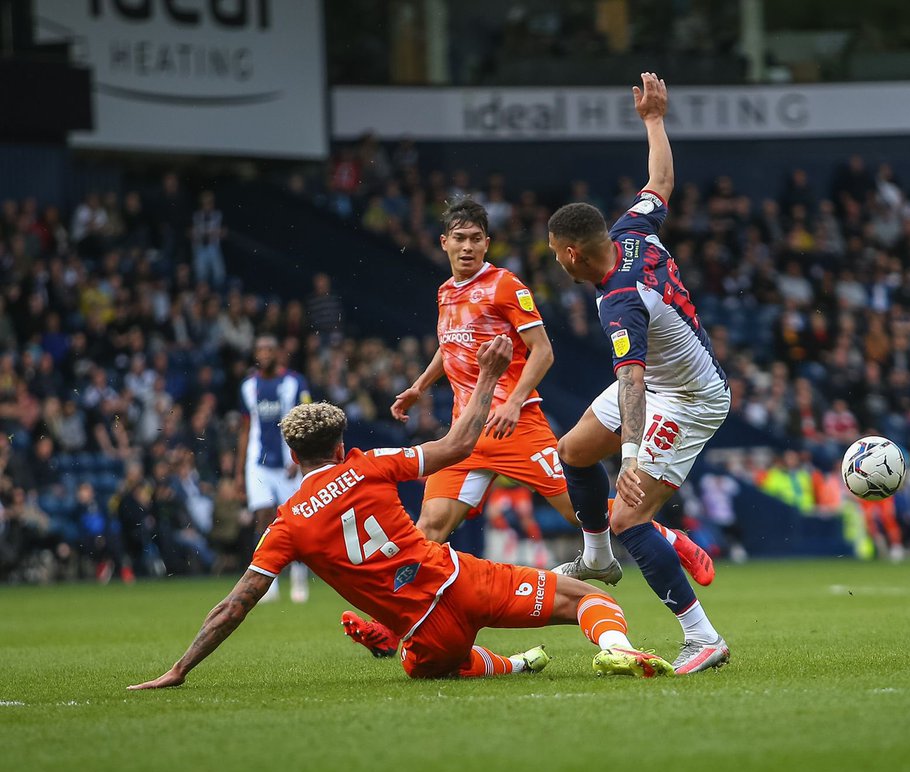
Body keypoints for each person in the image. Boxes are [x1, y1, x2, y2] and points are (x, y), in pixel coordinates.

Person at [128, 337, 675, 689]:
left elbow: (234, 606)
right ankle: (617, 650)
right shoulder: (370, 465)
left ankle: (514, 662)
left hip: (424, 633)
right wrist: (486, 377)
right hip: (460, 582)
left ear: (293, 458)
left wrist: (180, 669)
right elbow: (459, 446)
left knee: (437, 664)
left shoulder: (287, 524)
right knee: (591, 597)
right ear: (341, 446)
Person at [342, 198, 713, 658]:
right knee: (428, 531)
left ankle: (666, 536)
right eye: (459, 238)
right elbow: (450, 343)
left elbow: (543, 350)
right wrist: (420, 385)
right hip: (465, 434)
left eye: (476, 238)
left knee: (586, 515)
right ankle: (392, 627)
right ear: (443, 243)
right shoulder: (445, 292)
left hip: (514, 428)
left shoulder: (504, 286)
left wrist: (515, 401)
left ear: (487, 243)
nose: (467, 247)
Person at [544, 72, 730, 674]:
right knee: (571, 452)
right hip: (658, 384)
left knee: (628, 513)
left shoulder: (619, 300)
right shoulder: (629, 231)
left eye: (554, 255)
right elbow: (661, 182)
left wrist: (628, 460)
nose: (556, 264)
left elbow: (630, 381)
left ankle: (701, 635)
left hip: (688, 397)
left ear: (573, 252)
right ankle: (596, 559)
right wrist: (654, 120)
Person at [236, 335, 312, 602]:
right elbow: (246, 428)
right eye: (260, 349)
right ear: (256, 353)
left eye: (269, 348)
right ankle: (270, 582)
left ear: (277, 352)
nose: (265, 353)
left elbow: (306, 421)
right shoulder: (247, 386)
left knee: (296, 522)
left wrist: (299, 457)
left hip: (289, 463)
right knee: (263, 519)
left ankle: (299, 576)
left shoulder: (294, 382)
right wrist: (238, 472)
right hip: (258, 463)